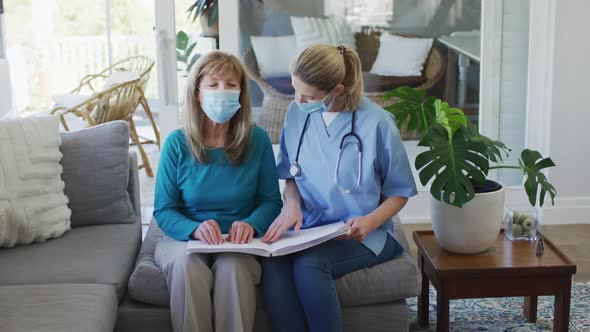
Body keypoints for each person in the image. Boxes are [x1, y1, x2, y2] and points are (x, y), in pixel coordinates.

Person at [261, 44, 418, 332]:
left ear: (338, 89)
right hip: (308, 230)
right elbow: (291, 175)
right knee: (273, 264)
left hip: (361, 235)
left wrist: (370, 222)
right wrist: (292, 204)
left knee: (310, 266)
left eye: (308, 95)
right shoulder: (297, 114)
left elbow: (400, 191)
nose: (298, 100)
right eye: (295, 90)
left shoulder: (378, 124)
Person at [153, 51, 282, 332]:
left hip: (239, 243)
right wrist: (195, 229)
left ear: (241, 93)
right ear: (198, 94)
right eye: (213, 85)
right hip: (184, 238)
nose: (222, 91)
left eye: (231, 84)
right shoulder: (176, 143)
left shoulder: (257, 139)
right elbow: (163, 210)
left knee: (233, 269)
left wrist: (251, 223)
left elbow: (271, 201)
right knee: (188, 269)